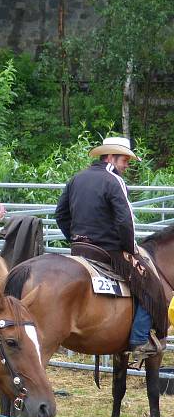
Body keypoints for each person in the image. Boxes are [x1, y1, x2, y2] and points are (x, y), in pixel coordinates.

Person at [55, 136, 166, 363]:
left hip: (79, 248)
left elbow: (60, 214)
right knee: (152, 285)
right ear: (111, 157)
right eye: (124, 160)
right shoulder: (114, 181)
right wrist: (130, 249)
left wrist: (74, 239)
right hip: (108, 251)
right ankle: (139, 340)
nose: (126, 165)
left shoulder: (77, 178)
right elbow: (125, 221)